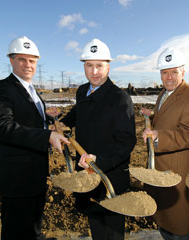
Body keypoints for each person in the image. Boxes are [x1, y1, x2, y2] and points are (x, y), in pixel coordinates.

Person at [0, 36, 69, 240]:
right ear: (11, 61)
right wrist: (46, 136)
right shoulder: (1, 88)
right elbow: (1, 126)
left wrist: (50, 124)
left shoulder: (33, 91)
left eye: (32, 60)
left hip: (36, 174)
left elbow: (30, 123)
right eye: (22, 59)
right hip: (18, 178)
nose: (28, 65)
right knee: (17, 231)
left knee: (33, 228)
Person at [60, 38, 136, 240]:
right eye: (89, 66)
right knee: (95, 224)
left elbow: (127, 140)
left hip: (109, 175)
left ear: (108, 67)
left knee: (110, 230)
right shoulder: (82, 91)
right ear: (84, 66)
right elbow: (80, 111)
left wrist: (99, 159)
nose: (94, 72)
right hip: (86, 173)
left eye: (99, 66)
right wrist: (65, 121)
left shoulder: (119, 98)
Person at [142, 47, 189, 240]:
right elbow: (167, 118)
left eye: (174, 72)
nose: (168, 77)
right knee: (163, 221)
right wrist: (152, 118)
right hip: (160, 172)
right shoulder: (164, 94)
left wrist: (158, 136)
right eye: (164, 72)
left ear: (183, 72)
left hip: (176, 174)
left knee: (177, 227)